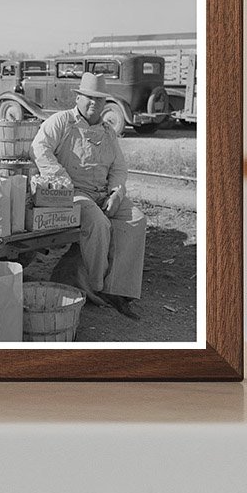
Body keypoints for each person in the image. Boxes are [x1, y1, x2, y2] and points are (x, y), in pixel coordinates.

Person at [30, 73, 144, 319]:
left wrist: (115, 192)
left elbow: (119, 168)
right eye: (89, 98)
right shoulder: (60, 122)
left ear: (105, 104)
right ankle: (98, 287)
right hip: (72, 194)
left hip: (102, 193)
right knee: (99, 224)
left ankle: (119, 289)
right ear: (79, 97)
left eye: (100, 100)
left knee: (135, 219)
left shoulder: (108, 131)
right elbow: (39, 148)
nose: (94, 104)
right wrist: (61, 178)